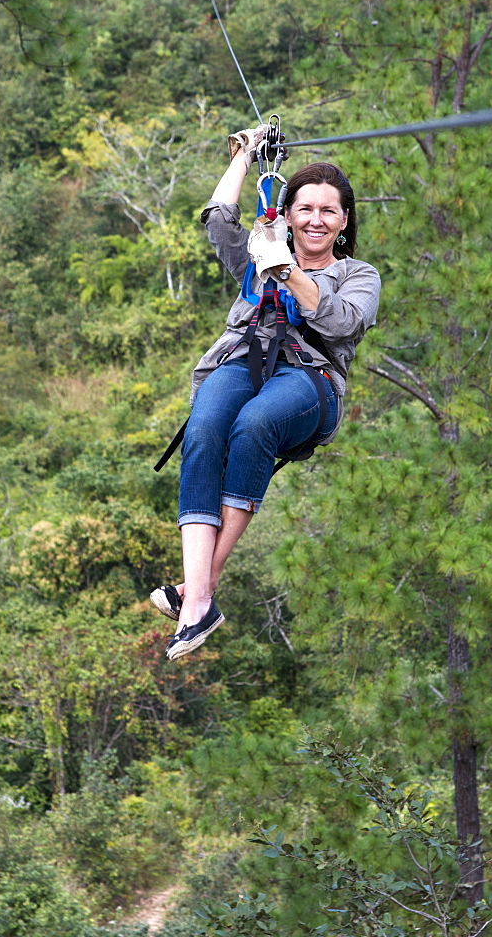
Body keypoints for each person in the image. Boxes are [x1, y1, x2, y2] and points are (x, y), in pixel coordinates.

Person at [152, 126, 381, 660]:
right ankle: (198, 599)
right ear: (290, 214)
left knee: (255, 425)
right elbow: (218, 219)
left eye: (328, 211)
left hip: (310, 380)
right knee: (206, 428)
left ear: (344, 222)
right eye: (304, 209)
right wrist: (244, 156)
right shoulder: (259, 252)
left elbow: (344, 321)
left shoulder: (358, 275)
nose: (316, 220)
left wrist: (289, 271)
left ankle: (201, 589)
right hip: (242, 358)